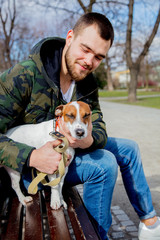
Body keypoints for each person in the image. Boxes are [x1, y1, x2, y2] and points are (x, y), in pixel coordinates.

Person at [0, 12, 159, 240]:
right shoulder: (25, 75)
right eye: (85, 49)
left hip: (69, 150)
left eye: (98, 57)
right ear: (70, 37)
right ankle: (96, 235)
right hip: (29, 169)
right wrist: (32, 156)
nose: (89, 61)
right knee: (105, 164)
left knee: (130, 148)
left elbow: (99, 123)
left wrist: (91, 140)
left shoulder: (87, 81)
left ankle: (150, 223)